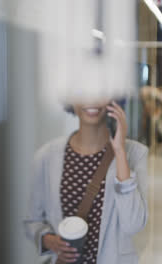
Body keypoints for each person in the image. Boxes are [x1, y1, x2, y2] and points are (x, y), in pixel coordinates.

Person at [24, 99, 148, 264]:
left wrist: (119, 151)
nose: (91, 99)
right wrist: (48, 240)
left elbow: (133, 224)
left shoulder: (135, 153)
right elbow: (32, 220)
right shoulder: (47, 156)